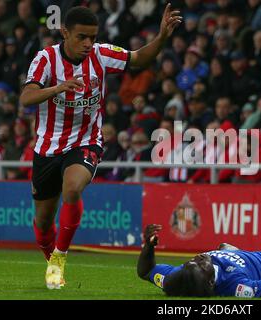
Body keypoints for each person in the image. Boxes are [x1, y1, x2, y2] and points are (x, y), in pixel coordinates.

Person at [19, 5, 182, 290]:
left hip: (86, 141)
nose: (88, 44)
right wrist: (57, 88)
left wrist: (162, 37)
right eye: (82, 37)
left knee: (72, 188)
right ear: (65, 32)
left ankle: (59, 257)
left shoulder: (101, 55)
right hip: (47, 147)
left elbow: (138, 58)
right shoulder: (46, 59)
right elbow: (26, 97)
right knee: (43, 223)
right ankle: (52, 263)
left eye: (92, 37)